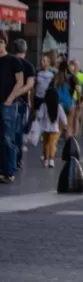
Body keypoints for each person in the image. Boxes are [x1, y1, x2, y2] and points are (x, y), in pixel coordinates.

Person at [0, 31, 25, 183]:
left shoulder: (14, 61)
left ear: (5, 43)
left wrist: (10, 99)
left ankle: (10, 171)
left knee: (8, 138)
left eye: (1, 42)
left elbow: (20, 82)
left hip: (8, 105)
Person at [11, 39, 35, 171]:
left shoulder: (9, 63)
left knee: (9, 131)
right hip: (22, 102)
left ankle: (10, 159)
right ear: (25, 51)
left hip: (8, 102)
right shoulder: (29, 66)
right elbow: (29, 86)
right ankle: (17, 159)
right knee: (18, 132)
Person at [37, 85, 68, 168]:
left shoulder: (43, 106)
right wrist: (65, 125)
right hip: (55, 129)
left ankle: (46, 159)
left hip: (45, 129)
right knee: (52, 144)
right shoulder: (59, 106)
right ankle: (51, 160)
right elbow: (63, 118)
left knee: (45, 144)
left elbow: (39, 116)